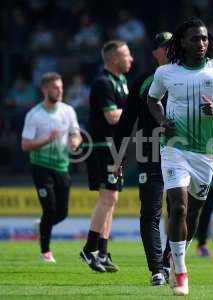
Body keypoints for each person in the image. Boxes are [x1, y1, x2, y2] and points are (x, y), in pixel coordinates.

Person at [147, 18, 213, 296]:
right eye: (194, 39)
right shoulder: (166, 72)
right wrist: (162, 120)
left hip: (205, 153)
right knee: (177, 206)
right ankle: (180, 272)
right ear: (182, 43)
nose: (201, 43)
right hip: (174, 147)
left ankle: (176, 254)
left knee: (194, 212)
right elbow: (153, 99)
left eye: (204, 38)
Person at [114, 32, 172, 286]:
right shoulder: (143, 81)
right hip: (150, 155)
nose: (170, 50)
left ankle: (171, 260)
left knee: (182, 212)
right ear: (155, 52)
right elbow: (126, 124)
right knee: (150, 213)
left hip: (183, 154)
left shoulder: (190, 78)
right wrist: (117, 158)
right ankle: (157, 269)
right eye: (165, 46)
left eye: (173, 45)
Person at [80, 40, 133, 273]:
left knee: (112, 200)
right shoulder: (103, 82)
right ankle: (89, 248)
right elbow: (112, 117)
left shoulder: (121, 81)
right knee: (108, 198)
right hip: (103, 146)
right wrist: (135, 110)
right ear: (114, 59)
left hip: (116, 147)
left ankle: (102, 252)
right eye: (126, 55)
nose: (130, 59)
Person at [21, 72, 81, 262]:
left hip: (62, 166)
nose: (60, 91)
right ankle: (45, 251)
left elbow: (76, 133)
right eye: (55, 87)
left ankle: (42, 227)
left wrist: (75, 142)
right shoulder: (34, 115)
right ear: (45, 89)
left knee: (62, 213)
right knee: (49, 209)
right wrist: (48, 139)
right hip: (41, 166)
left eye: (61, 87)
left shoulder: (68, 111)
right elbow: (25, 145)